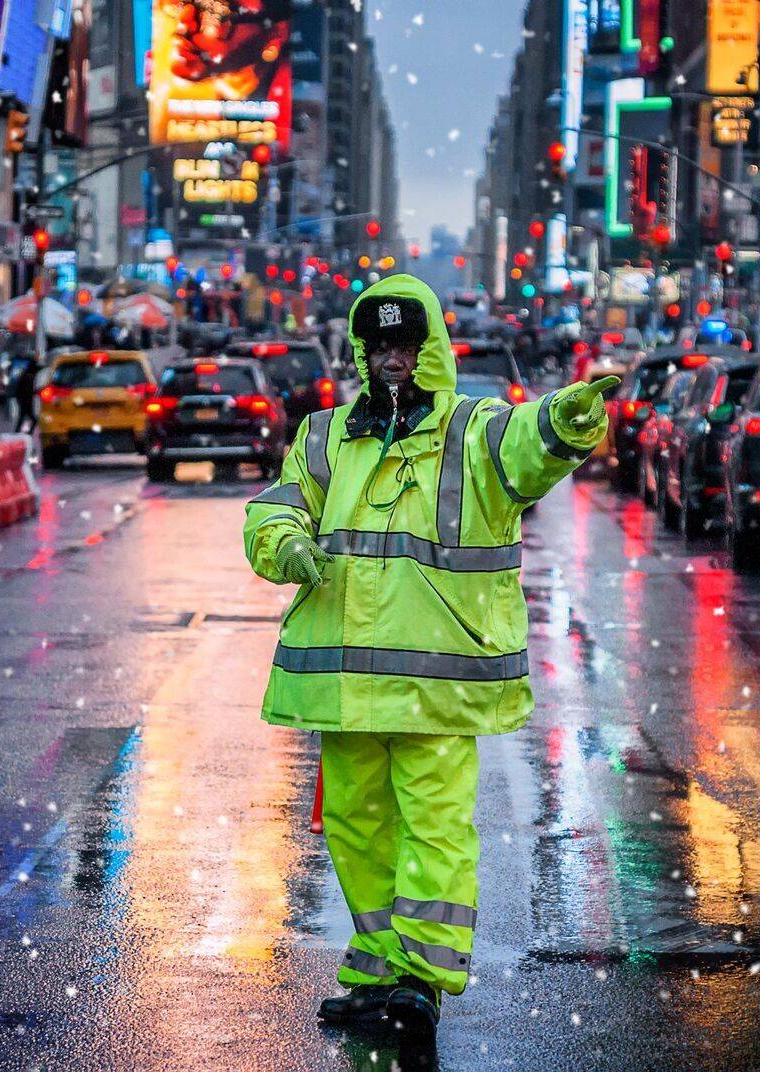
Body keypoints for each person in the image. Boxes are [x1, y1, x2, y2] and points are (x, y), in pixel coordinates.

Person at [243, 275, 616, 1048]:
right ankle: (379, 967)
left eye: (406, 346)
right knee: (355, 828)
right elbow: (276, 505)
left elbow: (526, 446)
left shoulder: (472, 431)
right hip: (344, 688)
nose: (393, 359)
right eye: (380, 345)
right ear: (361, 351)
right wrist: (284, 542)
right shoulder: (323, 435)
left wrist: (567, 420)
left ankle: (423, 977)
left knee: (434, 828)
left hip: (436, 686)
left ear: (431, 350)